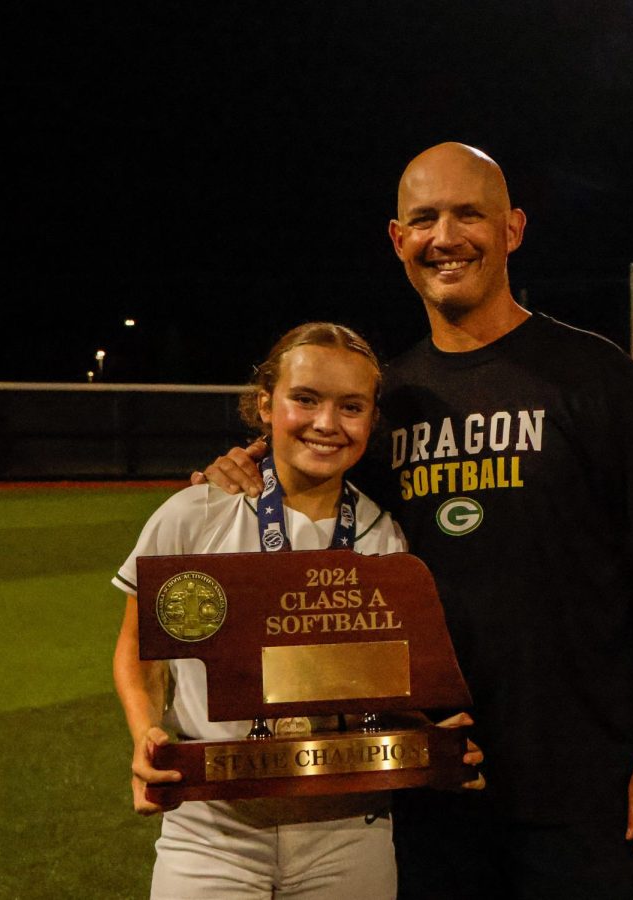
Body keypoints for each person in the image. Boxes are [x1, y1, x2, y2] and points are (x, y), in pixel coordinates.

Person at [197, 143, 633, 900]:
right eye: (425, 218)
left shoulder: (592, 375)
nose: (446, 236)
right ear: (397, 239)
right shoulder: (387, 401)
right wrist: (237, 476)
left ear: (513, 228)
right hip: (426, 779)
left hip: (580, 780)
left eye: (468, 214)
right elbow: (314, 526)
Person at [113, 321, 482, 900]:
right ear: (265, 403)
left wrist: (431, 742)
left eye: (351, 406)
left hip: (348, 831)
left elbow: (380, 685)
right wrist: (145, 733)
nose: (326, 424)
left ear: (371, 420)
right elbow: (141, 651)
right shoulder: (191, 515)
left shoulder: (385, 536)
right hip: (212, 830)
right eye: (304, 399)